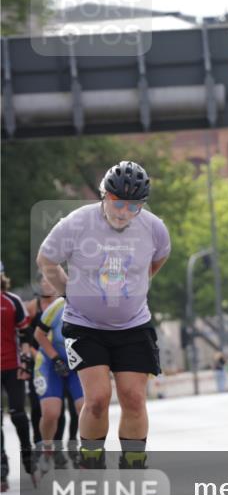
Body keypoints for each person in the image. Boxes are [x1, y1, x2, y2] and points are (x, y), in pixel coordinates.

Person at [36, 161, 170, 470]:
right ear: (104, 196)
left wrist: (136, 289)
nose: (124, 211)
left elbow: (157, 261)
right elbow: (46, 259)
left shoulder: (154, 228)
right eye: (117, 202)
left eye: (133, 206)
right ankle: (92, 462)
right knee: (96, 399)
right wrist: (68, 291)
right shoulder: (77, 223)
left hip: (134, 324)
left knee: (134, 399)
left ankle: (134, 465)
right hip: (85, 325)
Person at [31, 289, 85, 481]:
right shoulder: (57, 307)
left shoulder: (93, 308)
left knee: (85, 408)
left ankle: (87, 452)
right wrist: (55, 359)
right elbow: (39, 335)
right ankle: (47, 449)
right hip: (49, 361)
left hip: (76, 364)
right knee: (52, 413)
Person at [1, 262, 32, 491]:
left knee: (18, 414)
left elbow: (26, 335)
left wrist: (26, 363)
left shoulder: (12, 301)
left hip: (13, 366)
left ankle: (29, 460)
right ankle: (2, 470)